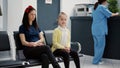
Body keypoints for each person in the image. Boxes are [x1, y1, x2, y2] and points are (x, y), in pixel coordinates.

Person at [91, 0, 119, 64]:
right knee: (100, 46)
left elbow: (92, 16)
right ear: (104, 1)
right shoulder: (102, 7)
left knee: (97, 46)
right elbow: (110, 14)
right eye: (106, 1)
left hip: (94, 30)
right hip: (100, 30)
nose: (107, 2)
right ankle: (96, 61)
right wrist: (117, 13)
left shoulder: (94, 7)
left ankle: (98, 60)